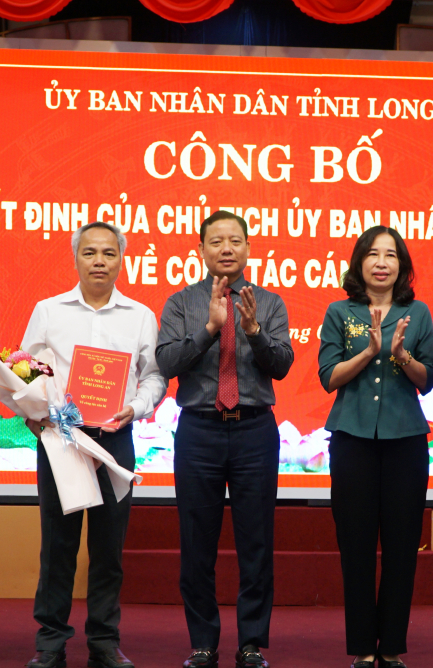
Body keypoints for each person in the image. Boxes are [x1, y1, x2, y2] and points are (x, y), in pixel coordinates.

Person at [22, 222, 167, 668]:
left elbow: (155, 377)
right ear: (76, 258)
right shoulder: (49, 311)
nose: (99, 261)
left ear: (121, 259)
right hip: (62, 440)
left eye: (108, 252)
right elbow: (25, 369)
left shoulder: (140, 315)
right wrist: (32, 408)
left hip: (115, 440)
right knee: (58, 546)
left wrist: (135, 408)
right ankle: (50, 642)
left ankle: (104, 640)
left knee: (108, 549)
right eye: (89, 253)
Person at [156, 211, 294, 668]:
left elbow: (282, 365)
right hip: (200, 430)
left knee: (257, 542)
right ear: (201, 250)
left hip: (255, 429)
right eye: (216, 241)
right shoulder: (181, 303)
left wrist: (253, 331)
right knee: (197, 542)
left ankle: (251, 643)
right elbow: (167, 363)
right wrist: (210, 328)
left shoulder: (268, 303)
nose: (227, 249)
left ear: (249, 248)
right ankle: (202, 643)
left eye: (235, 240)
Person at [318, 226, 433, 668]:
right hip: (352, 441)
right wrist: (369, 352)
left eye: (391, 255)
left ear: (402, 265)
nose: (382, 262)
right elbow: (329, 377)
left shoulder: (417, 312)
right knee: (356, 546)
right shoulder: (340, 311)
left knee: (402, 547)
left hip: (405, 441)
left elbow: (429, 380)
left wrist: (402, 356)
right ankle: (363, 649)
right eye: (373, 254)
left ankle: (391, 647)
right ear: (360, 262)